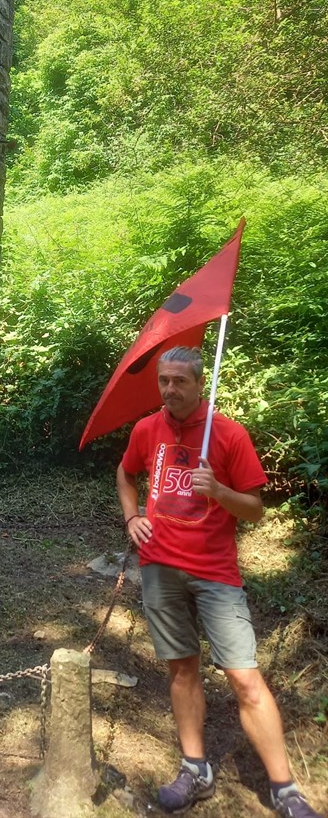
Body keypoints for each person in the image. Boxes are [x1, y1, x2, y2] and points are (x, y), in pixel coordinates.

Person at [116, 346, 322, 818]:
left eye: (180, 381)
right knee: (181, 668)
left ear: (198, 383)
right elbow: (125, 474)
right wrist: (132, 518)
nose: (170, 389)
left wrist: (219, 491)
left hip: (215, 572)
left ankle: (286, 789)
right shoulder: (147, 429)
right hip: (159, 565)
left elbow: (255, 509)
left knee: (244, 676)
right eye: (164, 381)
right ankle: (195, 769)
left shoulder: (228, 434)